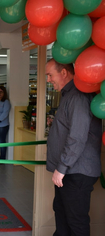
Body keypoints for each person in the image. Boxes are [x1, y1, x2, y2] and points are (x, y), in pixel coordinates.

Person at [45, 58, 101, 236]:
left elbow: (77, 137)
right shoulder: (69, 95)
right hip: (68, 172)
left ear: (63, 73)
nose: (48, 80)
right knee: (62, 216)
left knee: (76, 222)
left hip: (75, 172)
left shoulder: (77, 96)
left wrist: (61, 168)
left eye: (50, 75)